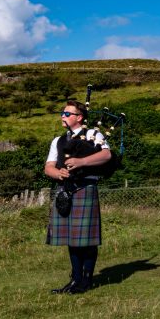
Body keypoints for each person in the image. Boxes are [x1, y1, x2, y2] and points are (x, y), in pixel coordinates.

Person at [44, 99, 111, 294]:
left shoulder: (93, 134)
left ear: (79, 117)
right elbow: (48, 166)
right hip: (65, 189)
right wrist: (57, 174)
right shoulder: (58, 140)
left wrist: (81, 162)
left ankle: (87, 280)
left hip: (85, 187)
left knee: (86, 239)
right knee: (72, 239)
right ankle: (76, 279)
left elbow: (106, 155)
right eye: (62, 113)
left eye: (67, 114)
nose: (62, 116)